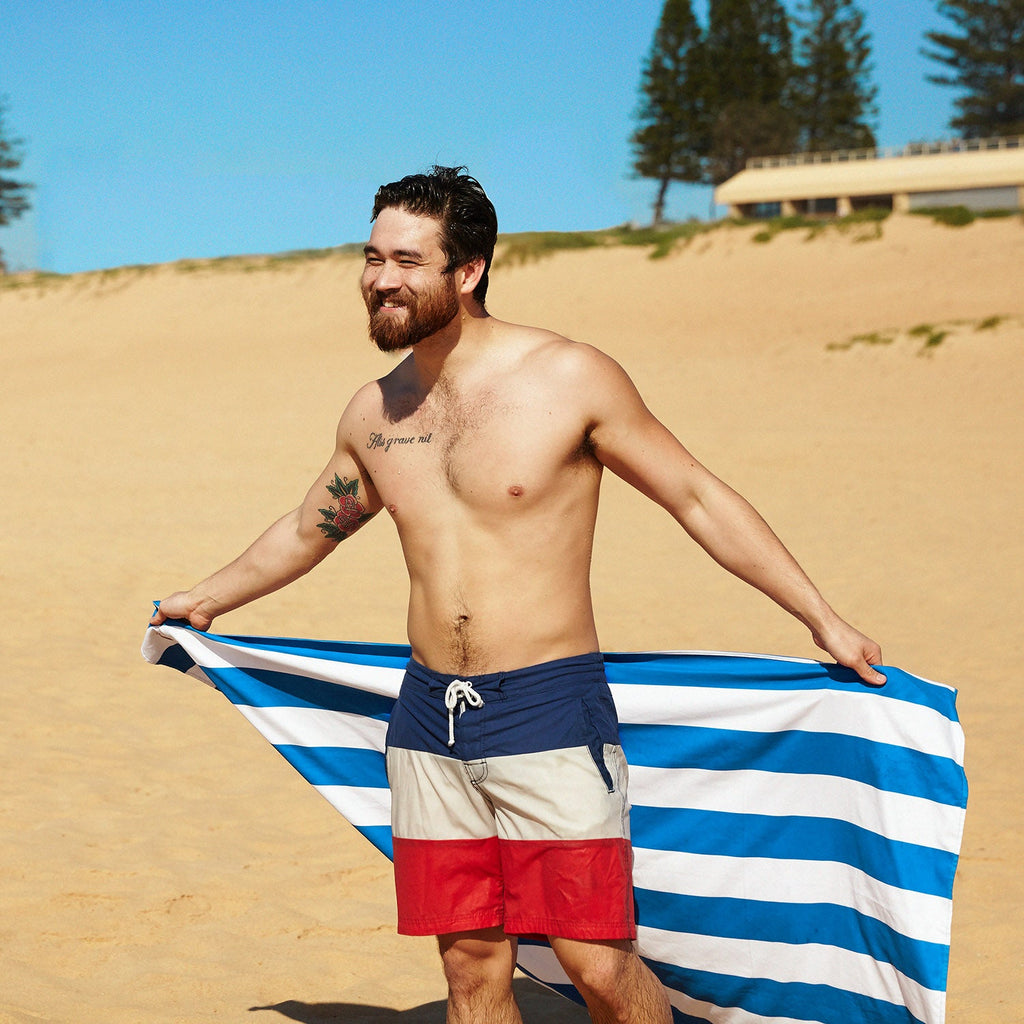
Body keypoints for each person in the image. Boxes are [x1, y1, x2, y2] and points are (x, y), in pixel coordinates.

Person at [152, 165, 885, 1024]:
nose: (381, 279)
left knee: (595, 960)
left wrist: (822, 618)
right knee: (470, 965)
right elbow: (310, 528)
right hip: (427, 719)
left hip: (550, 709)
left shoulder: (570, 378)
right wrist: (206, 597)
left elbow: (696, 497)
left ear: (468, 271)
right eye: (372, 257)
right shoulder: (376, 413)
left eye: (407, 261)